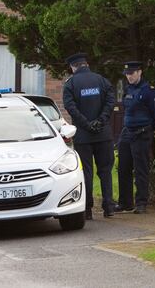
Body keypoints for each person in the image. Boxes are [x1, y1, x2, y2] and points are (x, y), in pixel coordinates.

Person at [62, 53, 116, 219]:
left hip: (84, 137)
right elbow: (110, 100)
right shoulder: (101, 80)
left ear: (73, 67)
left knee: (86, 172)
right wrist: (101, 120)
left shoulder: (71, 84)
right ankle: (109, 207)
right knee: (105, 171)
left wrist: (86, 124)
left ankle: (87, 209)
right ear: (86, 64)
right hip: (103, 134)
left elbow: (70, 107)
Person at [115, 61, 155, 214]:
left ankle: (141, 203)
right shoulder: (128, 89)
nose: (129, 76)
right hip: (127, 132)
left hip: (142, 133)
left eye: (132, 73)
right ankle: (125, 202)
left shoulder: (149, 91)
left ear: (140, 72)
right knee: (123, 167)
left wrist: (149, 129)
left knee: (141, 169)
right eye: (127, 74)